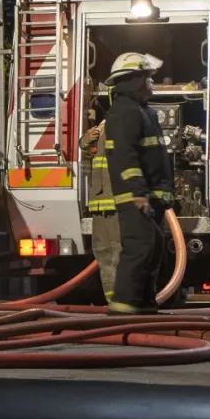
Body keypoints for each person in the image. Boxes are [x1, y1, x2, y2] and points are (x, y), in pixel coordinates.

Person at [104, 52, 175, 315]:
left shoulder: (143, 112)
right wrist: (137, 190)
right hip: (136, 196)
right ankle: (123, 304)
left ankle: (144, 303)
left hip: (151, 196)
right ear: (135, 80)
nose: (152, 82)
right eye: (148, 76)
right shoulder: (125, 112)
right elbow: (125, 155)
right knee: (140, 247)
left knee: (153, 248)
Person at [80, 120, 122, 303]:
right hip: (99, 203)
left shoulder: (128, 125)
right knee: (103, 253)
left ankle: (125, 300)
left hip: (118, 203)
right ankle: (113, 301)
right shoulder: (103, 129)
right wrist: (86, 140)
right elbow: (88, 156)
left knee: (120, 253)